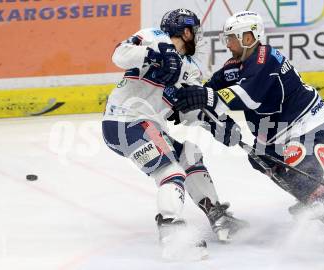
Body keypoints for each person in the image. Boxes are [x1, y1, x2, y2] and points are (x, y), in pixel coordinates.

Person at [174, 10, 324, 251]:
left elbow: (248, 98)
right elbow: (211, 90)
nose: (227, 44)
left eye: (231, 38)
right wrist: (189, 103)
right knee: (262, 161)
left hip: (310, 124)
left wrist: (206, 96)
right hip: (277, 132)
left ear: (248, 38)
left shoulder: (266, 59)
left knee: (303, 173)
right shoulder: (235, 65)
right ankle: (310, 197)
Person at [101, 8, 247, 259]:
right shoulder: (153, 37)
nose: (197, 38)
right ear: (186, 31)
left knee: (190, 155)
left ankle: (217, 216)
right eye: (195, 32)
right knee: (171, 171)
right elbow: (119, 55)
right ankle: (172, 234)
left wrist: (218, 125)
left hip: (148, 126)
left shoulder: (190, 68)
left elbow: (187, 112)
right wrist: (156, 51)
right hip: (124, 121)